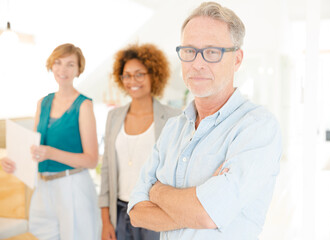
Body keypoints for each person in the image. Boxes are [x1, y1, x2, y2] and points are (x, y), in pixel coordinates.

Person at [127, 2, 282, 239]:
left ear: (237, 59)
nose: (197, 63)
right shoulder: (173, 128)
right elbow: (137, 213)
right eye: (189, 51)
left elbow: (207, 213)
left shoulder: (257, 127)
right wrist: (197, 207)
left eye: (212, 52)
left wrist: (157, 192)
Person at [1, 43, 100, 240]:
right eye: (58, 63)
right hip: (43, 187)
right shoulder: (42, 103)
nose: (63, 70)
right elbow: (36, 149)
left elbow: (92, 160)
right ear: (51, 66)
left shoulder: (84, 105)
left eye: (70, 64)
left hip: (72, 186)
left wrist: (51, 153)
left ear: (78, 70)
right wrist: (14, 162)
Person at [98, 43, 181, 240]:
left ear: (154, 75)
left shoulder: (173, 118)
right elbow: (107, 170)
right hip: (119, 213)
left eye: (139, 74)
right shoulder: (114, 117)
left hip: (154, 210)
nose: (132, 81)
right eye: (126, 75)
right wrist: (105, 221)